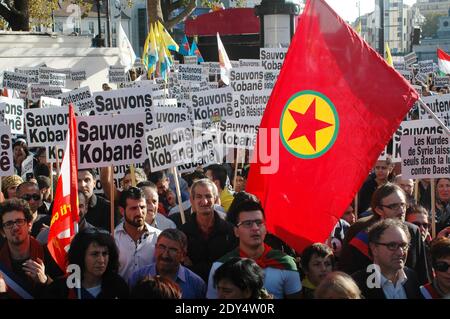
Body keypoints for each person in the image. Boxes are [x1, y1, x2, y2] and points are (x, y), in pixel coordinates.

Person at [207, 200, 301, 299]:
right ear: (236, 231)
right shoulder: (220, 266)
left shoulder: (285, 263)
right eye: (248, 223)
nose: (255, 228)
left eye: (259, 223)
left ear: (265, 229)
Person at [340, 183, 430, 284]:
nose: (401, 211)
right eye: (394, 206)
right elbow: (346, 274)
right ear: (379, 209)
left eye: (403, 205)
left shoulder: (413, 231)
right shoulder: (359, 231)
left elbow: (422, 274)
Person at [0, 199, 62, 298]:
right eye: (9, 224)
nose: (15, 227)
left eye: (19, 221)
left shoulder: (50, 255)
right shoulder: (1, 262)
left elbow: (64, 293)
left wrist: (45, 280)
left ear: (29, 225)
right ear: (3, 232)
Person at [180, 179, 237, 282]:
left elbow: (232, 265)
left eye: (208, 196)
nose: (204, 201)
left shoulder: (230, 231)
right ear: (192, 200)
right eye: (199, 197)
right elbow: (182, 268)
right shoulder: (182, 233)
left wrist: (195, 267)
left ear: (215, 199)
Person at [44, 228, 129, 299]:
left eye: (105, 254)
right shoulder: (61, 289)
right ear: (80, 256)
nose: (101, 260)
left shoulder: (118, 286)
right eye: (95, 254)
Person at [352, 219, 421, 299]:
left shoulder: (411, 277)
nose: (401, 252)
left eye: (403, 245)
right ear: (374, 248)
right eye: (392, 245)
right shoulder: (356, 285)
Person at [129, 229, 205, 299]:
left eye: (173, 250)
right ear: (155, 248)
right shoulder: (137, 277)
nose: (165, 255)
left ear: (183, 255)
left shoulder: (196, 284)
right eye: (162, 247)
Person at [114, 187, 161, 282]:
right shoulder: (113, 238)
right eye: (133, 208)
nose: (139, 212)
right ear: (122, 211)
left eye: (142, 207)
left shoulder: (158, 237)